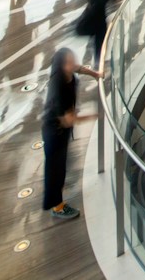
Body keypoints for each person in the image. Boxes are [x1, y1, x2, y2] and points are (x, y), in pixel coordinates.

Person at [41, 47, 102, 222]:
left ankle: (57, 198)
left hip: (60, 131)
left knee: (59, 168)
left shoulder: (66, 69)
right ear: (62, 65)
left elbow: (79, 68)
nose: (72, 64)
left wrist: (95, 74)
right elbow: (68, 120)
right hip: (55, 132)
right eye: (68, 62)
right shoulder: (58, 87)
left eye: (72, 60)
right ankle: (58, 207)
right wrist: (94, 116)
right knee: (55, 170)